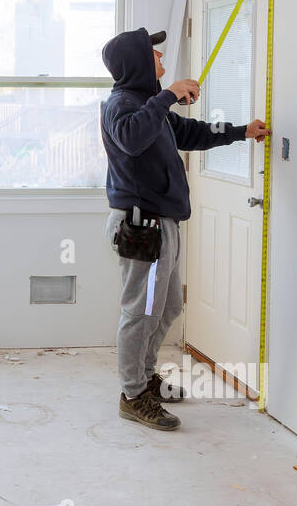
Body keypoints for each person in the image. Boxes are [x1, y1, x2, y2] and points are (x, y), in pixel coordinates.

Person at [99, 27, 270, 431]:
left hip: (164, 226)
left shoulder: (146, 104)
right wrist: (168, 95)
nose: (161, 60)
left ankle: (144, 377)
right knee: (140, 312)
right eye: (155, 55)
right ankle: (132, 394)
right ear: (138, 63)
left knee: (168, 306)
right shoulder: (121, 105)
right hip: (141, 227)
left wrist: (240, 132)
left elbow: (190, 133)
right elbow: (132, 138)